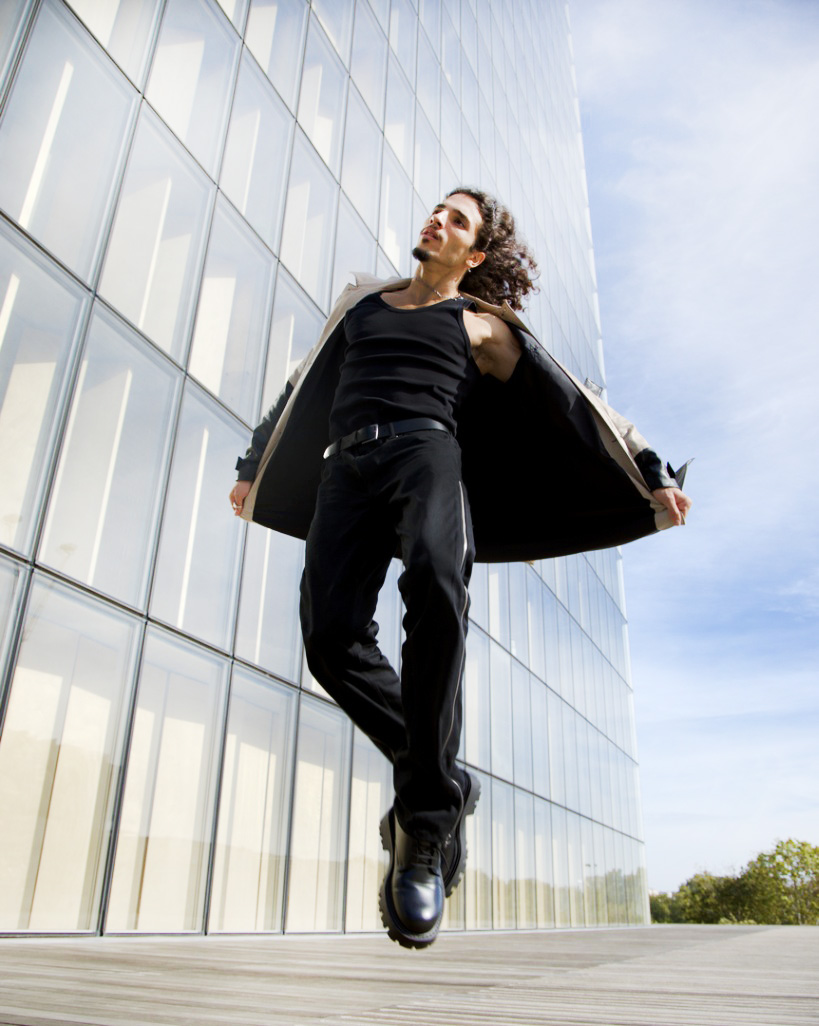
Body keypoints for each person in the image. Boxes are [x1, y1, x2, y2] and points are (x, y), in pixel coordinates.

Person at [229, 187, 691, 949]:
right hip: (345, 470)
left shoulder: (479, 326)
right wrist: (255, 462)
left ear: (472, 255)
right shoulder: (360, 306)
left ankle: (424, 832)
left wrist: (650, 467)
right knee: (330, 639)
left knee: (438, 596)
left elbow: (579, 402)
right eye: (435, 211)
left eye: (456, 221)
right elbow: (297, 389)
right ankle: (446, 782)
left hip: (425, 453)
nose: (435, 221)